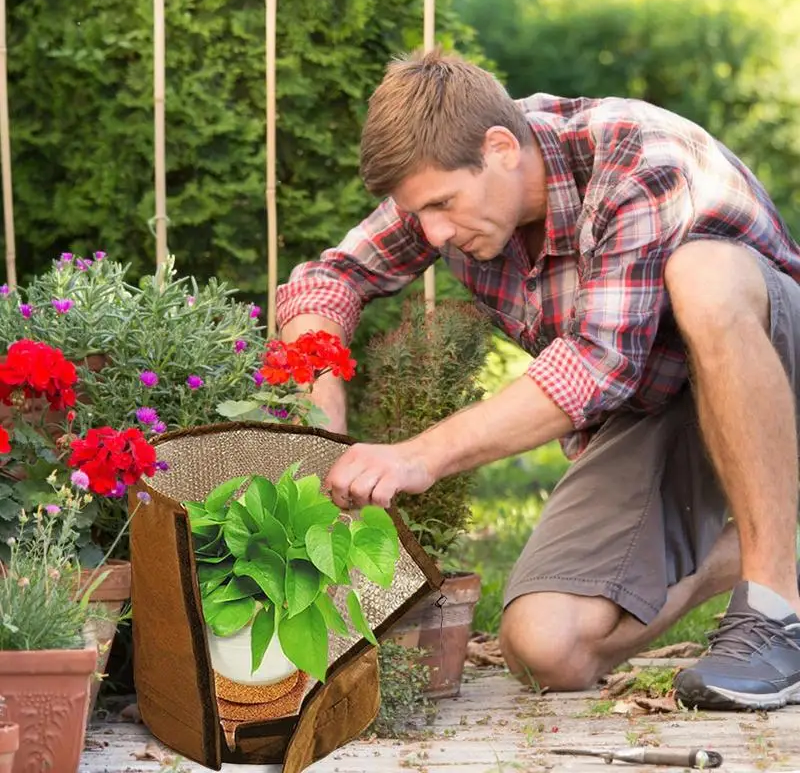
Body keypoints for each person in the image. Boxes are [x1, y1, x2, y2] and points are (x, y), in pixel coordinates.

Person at [275, 48, 800, 711]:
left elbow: (596, 365)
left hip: (772, 366)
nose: (433, 233)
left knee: (704, 279)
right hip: (654, 406)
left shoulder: (638, 158)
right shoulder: (449, 180)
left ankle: (775, 609)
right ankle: (747, 552)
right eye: (420, 214)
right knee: (547, 648)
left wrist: (417, 456)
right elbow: (327, 280)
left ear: (500, 148)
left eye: (443, 205)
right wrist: (321, 408)